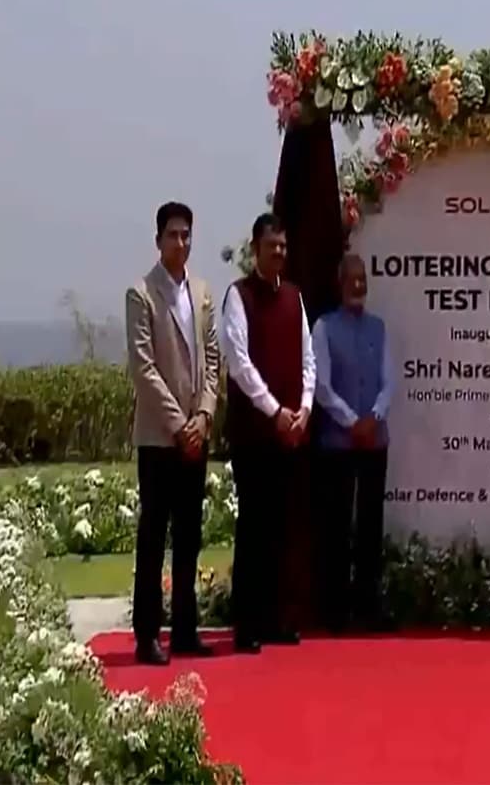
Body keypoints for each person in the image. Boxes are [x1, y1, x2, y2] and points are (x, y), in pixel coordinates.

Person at [124, 201, 220, 666]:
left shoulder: (200, 291)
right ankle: (147, 635)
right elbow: (143, 368)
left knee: (189, 535)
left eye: (186, 235)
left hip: (195, 435)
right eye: (172, 235)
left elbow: (213, 359)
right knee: (153, 537)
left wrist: (203, 416)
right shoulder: (141, 294)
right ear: (158, 239)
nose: (180, 243)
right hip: (160, 437)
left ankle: (185, 629)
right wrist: (179, 425)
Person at [221, 213, 316, 653]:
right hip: (254, 435)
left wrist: (304, 409)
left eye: (283, 245)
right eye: (271, 245)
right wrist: (275, 411)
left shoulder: (294, 296)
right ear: (255, 249)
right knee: (254, 530)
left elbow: (308, 359)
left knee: (283, 529)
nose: (278, 252)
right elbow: (239, 364)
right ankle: (248, 624)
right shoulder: (238, 296)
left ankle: (279, 618)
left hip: (290, 434)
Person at [310, 255, 394, 631]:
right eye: (352, 279)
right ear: (340, 282)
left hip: (375, 440)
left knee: (370, 527)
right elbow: (321, 386)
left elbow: (390, 381)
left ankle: (368, 608)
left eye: (363, 279)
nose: (358, 285)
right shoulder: (324, 328)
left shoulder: (379, 327)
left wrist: (374, 416)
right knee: (338, 527)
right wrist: (351, 422)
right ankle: (336, 611)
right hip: (338, 444)